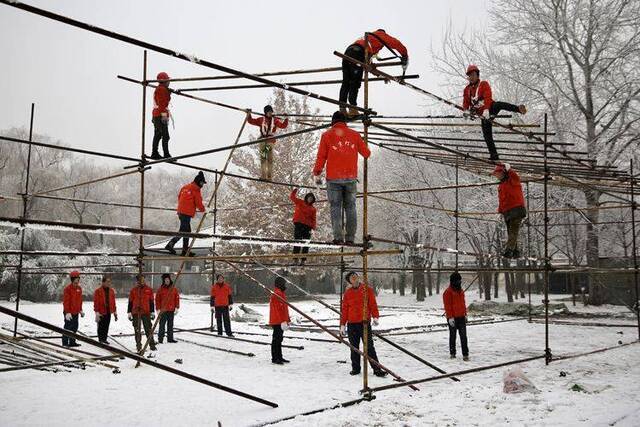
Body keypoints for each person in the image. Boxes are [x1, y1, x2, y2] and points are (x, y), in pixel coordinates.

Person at [313, 111, 371, 245]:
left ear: (333, 121)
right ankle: (350, 238)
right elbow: (366, 153)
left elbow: (321, 156)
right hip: (350, 178)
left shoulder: (326, 135)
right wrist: (359, 142)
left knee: (335, 207)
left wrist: (317, 171)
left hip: (333, 179)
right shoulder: (354, 135)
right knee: (350, 207)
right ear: (345, 121)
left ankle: (338, 237)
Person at [463, 64, 527, 161]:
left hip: (490, 108)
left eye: (473, 75)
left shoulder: (483, 84)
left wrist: (486, 109)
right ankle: (494, 155)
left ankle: (518, 109)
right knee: (487, 134)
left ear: (477, 75)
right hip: (481, 114)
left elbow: (488, 96)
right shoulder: (467, 90)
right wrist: (466, 111)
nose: (471, 77)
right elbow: (466, 102)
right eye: (470, 75)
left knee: (499, 104)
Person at [340, 29, 408, 117]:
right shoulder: (380, 34)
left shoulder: (367, 40)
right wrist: (404, 54)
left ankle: (342, 109)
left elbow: (368, 66)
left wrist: (380, 75)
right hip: (358, 53)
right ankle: (352, 109)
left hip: (348, 53)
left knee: (346, 82)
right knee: (355, 82)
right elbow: (395, 43)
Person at [339, 272, 387, 377]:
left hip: (364, 323)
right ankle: (355, 369)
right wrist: (342, 324)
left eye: (356, 276)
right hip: (352, 324)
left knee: (369, 347)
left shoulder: (367, 290)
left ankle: (377, 369)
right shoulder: (347, 293)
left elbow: (372, 304)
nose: (355, 279)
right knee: (354, 347)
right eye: (352, 278)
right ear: (349, 281)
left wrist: (375, 317)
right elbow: (345, 310)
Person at [165, 171, 206, 256]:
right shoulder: (196, 190)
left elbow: (179, 196)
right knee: (184, 231)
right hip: (186, 213)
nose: (202, 185)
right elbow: (198, 203)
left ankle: (184, 249)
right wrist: (203, 209)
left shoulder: (185, 187)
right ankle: (171, 245)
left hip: (181, 211)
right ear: (198, 182)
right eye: (202, 183)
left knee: (186, 231)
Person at [492, 163, 527, 258]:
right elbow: (501, 199)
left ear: (504, 172)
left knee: (513, 231)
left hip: (516, 209)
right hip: (507, 211)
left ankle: (509, 250)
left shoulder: (512, 180)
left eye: (498, 173)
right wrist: (501, 210)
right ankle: (515, 251)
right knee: (510, 232)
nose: (497, 176)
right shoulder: (501, 185)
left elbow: (513, 174)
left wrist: (508, 168)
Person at [246, 106, 289, 181]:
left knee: (269, 159)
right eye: (269, 112)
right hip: (262, 141)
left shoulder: (275, 120)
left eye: (271, 112)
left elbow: (283, 126)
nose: (270, 113)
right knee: (263, 158)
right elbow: (251, 121)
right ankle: (263, 176)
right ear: (265, 113)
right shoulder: (261, 120)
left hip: (270, 141)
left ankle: (269, 177)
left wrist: (286, 119)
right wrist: (249, 114)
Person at [127, 274, 157, 352]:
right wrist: (129, 312)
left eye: (143, 280)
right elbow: (130, 301)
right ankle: (138, 345)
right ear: (137, 281)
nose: (142, 281)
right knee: (137, 329)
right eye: (140, 280)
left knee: (148, 329)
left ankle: (152, 344)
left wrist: (152, 312)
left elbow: (151, 302)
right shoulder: (133, 290)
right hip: (136, 312)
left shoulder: (149, 290)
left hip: (146, 311)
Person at [443, 272, 469, 361]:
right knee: (453, 336)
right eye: (457, 281)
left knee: (463, 337)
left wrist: (465, 314)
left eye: (459, 280)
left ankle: (465, 354)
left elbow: (463, 303)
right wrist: (450, 317)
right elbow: (447, 306)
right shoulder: (448, 292)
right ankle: (452, 353)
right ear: (453, 281)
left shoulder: (461, 291)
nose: (459, 282)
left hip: (461, 317)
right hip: (453, 318)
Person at [289, 188, 317, 265]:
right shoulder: (300, 202)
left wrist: (314, 227)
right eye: (309, 198)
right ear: (306, 198)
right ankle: (295, 259)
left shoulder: (313, 209)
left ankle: (303, 260)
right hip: (298, 224)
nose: (310, 200)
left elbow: (313, 218)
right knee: (297, 241)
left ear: (313, 200)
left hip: (308, 226)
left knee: (306, 243)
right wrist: (295, 190)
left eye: (311, 199)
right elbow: (292, 197)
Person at [150, 71, 172, 160]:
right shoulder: (162, 89)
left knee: (158, 134)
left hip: (157, 114)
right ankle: (166, 155)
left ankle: (154, 153)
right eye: (168, 80)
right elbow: (163, 104)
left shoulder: (160, 89)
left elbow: (163, 100)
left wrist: (168, 93)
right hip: (161, 114)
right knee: (165, 136)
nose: (169, 82)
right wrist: (164, 116)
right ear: (165, 81)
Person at [269, 276, 291, 365]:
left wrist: (286, 319)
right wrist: (283, 320)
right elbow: (279, 309)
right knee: (277, 339)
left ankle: (279, 356)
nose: (285, 285)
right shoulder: (278, 293)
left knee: (279, 339)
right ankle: (275, 358)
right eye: (284, 283)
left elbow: (284, 308)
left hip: (280, 320)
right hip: (278, 320)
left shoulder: (280, 292)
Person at [93, 274, 117, 344]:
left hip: (108, 311)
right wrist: (97, 312)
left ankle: (104, 339)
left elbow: (113, 301)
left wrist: (115, 311)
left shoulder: (111, 291)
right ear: (103, 282)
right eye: (107, 282)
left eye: (109, 282)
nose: (109, 283)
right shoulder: (98, 291)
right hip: (101, 311)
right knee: (101, 326)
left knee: (106, 325)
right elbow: (96, 302)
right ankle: (101, 339)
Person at [62, 270, 84, 347]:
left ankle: (72, 342)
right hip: (69, 312)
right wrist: (67, 312)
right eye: (77, 278)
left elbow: (80, 300)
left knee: (74, 327)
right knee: (67, 327)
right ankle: (65, 343)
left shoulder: (79, 289)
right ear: (72, 279)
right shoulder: (67, 289)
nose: (78, 280)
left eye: (78, 278)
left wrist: (80, 310)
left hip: (76, 312)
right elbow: (66, 302)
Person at [156, 273, 180, 344]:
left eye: (168, 279)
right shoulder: (160, 289)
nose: (167, 281)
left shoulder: (174, 289)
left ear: (170, 280)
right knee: (162, 325)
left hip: (171, 309)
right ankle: (160, 339)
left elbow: (177, 298)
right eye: (166, 280)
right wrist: (158, 309)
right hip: (163, 310)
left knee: (170, 325)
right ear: (164, 281)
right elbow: (157, 300)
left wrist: (177, 307)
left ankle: (170, 338)